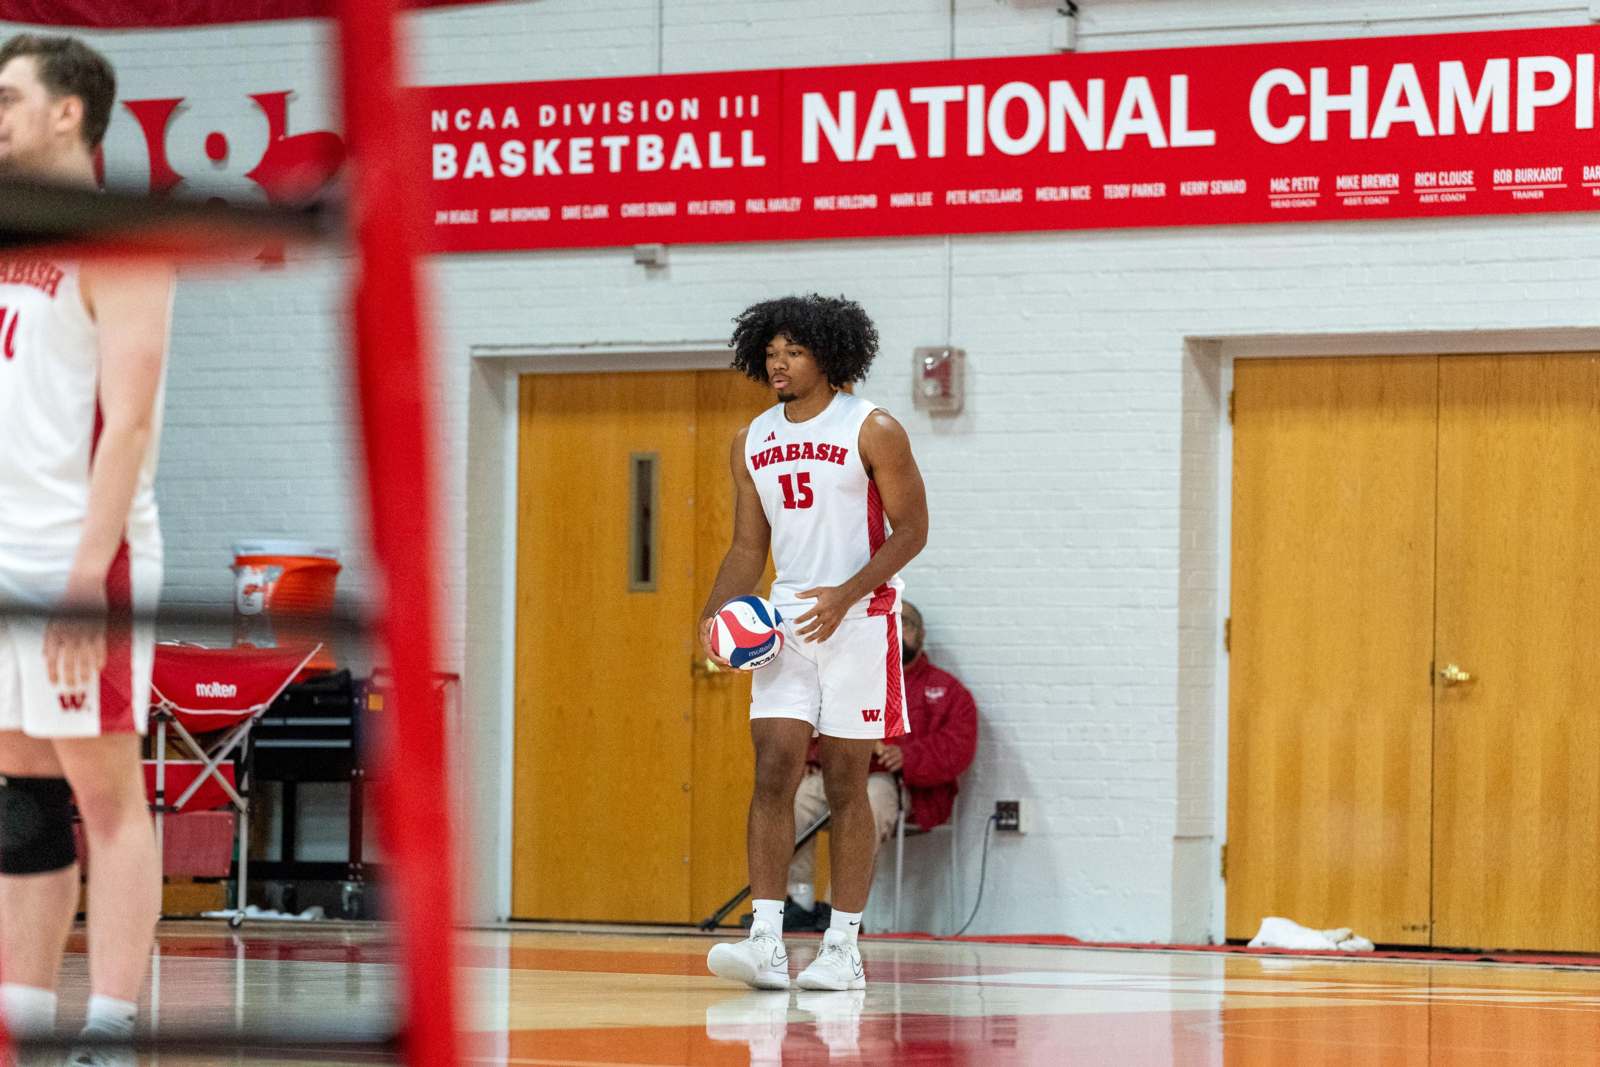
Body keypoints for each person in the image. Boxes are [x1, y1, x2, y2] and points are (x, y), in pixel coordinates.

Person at [0, 33, 173, 1067]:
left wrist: (81, 576)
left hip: (81, 557)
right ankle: (18, 1013)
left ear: (68, 112)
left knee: (106, 792)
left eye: (7, 98)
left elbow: (130, 421)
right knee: (19, 788)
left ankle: (111, 1025)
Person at [701, 293, 928, 991]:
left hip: (860, 618)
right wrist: (713, 614)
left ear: (828, 356)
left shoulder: (873, 427)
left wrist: (847, 593)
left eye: (793, 352)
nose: (779, 363)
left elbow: (913, 530)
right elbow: (748, 547)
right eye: (770, 353)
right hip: (787, 622)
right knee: (773, 768)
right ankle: (766, 940)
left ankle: (843, 947)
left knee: (845, 781)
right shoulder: (751, 439)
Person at [784, 600, 977, 930]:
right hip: (841, 776)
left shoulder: (948, 690)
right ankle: (799, 902)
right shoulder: (853, 680)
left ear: (921, 635)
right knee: (799, 798)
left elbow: (958, 747)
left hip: (895, 786)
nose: (898, 631)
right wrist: (814, 758)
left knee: (870, 803)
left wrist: (908, 756)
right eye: (892, 623)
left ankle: (837, 910)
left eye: (907, 624)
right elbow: (819, 726)